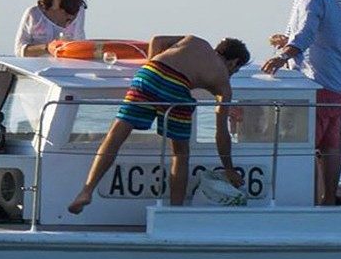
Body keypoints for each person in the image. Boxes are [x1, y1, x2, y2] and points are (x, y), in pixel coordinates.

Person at [67, 36, 251, 214]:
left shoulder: (195, 41)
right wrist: (229, 168)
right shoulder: (223, 82)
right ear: (234, 63)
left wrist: (152, 65)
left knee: (115, 135)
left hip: (150, 72)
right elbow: (221, 133)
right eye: (235, 71)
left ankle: (87, 190)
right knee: (180, 153)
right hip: (176, 86)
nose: (232, 74)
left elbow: (157, 40)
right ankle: (175, 210)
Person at [262, 0, 341, 206]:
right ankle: (328, 200)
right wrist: (288, 42)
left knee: (306, 145)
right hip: (335, 83)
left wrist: (283, 56)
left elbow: (307, 33)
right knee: (331, 146)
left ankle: (307, 202)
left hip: (317, 84)